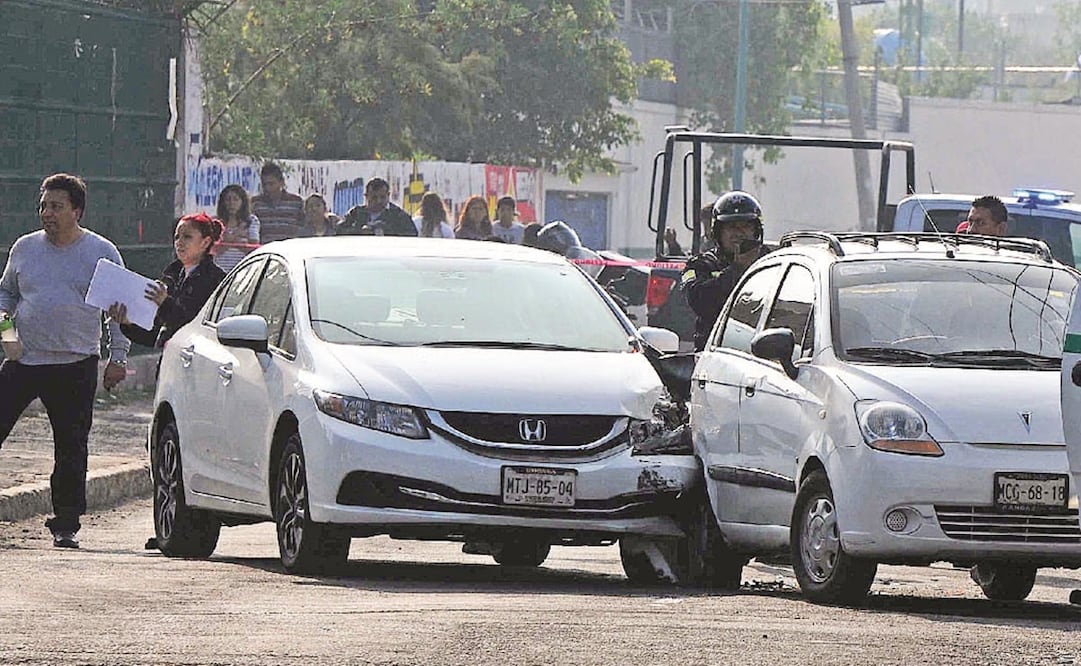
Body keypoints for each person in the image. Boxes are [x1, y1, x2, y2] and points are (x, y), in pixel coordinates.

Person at [0, 173, 130, 549]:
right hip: (25, 360)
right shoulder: (25, 248)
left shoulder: (101, 253)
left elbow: (117, 311)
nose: (47, 213)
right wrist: (7, 334)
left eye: (56, 206)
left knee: (71, 445)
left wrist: (117, 358)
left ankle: (66, 523)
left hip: (76, 363)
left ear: (77, 210)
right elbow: (5, 295)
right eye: (43, 205)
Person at [107, 213, 227, 351]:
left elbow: (192, 327)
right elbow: (155, 335)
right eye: (177, 237)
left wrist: (164, 303)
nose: (179, 242)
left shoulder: (215, 279)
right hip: (169, 360)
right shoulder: (173, 276)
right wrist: (128, 324)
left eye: (187, 237)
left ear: (205, 242)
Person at [682, 191, 772, 352]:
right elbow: (701, 303)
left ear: (756, 230)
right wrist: (737, 269)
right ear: (718, 232)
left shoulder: (773, 262)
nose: (738, 233)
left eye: (745, 226)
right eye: (731, 227)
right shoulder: (701, 264)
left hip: (764, 354)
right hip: (716, 354)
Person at [337, 177, 417, 236]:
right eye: (374, 197)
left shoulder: (399, 216)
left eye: (382, 197)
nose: (379, 201)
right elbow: (338, 231)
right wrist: (359, 231)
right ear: (366, 196)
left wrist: (386, 231)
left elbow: (412, 234)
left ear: (388, 195)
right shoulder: (355, 213)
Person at [250, 162, 304, 242]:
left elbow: (303, 227)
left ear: (281, 182)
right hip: (265, 250)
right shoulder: (255, 203)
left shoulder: (296, 202)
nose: (267, 188)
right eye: (264, 184)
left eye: (271, 184)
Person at [215, 184, 261, 273]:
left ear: (242, 202)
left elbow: (253, 249)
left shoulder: (251, 221)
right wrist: (236, 238)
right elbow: (213, 250)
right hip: (219, 270)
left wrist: (228, 241)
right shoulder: (216, 222)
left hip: (242, 270)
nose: (232, 203)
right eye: (228, 200)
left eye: (236, 199)